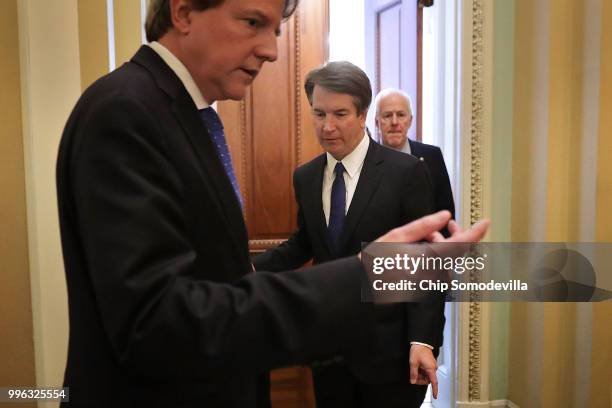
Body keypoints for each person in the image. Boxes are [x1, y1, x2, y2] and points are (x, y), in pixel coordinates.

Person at [56, 1, 489, 406]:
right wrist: (361, 275)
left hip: (382, 360)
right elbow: (157, 323)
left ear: (362, 116)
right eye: (252, 23)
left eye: (276, 29)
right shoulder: (126, 112)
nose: (272, 51)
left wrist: (422, 338)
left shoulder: (180, 114)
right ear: (184, 11)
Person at [253, 61, 444, 407]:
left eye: (340, 114)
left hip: (392, 352)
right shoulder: (306, 177)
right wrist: (249, 270)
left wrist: (423, 340)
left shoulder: (406, 173)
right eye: (319, 114)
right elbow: (305, 242)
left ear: (362, 114)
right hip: (331, 349)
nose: (327, 127)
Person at [375, 88, 455, 222]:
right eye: (387, 115)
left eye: (401, 115)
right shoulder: (365, 159)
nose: (394, 122)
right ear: (377, 122)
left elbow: (446, 214)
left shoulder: (432, 156)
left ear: (410, 121)